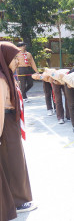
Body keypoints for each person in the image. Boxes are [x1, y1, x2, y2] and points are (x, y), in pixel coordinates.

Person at [0, 42, 37, 216]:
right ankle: (18, 201)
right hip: (5, 123)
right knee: (14, 163)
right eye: (14, 58)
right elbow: (0, 110)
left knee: (15, 162)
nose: (18, 61)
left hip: (10, 122)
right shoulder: (1, 79)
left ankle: (18, 199)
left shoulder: (7, 75)